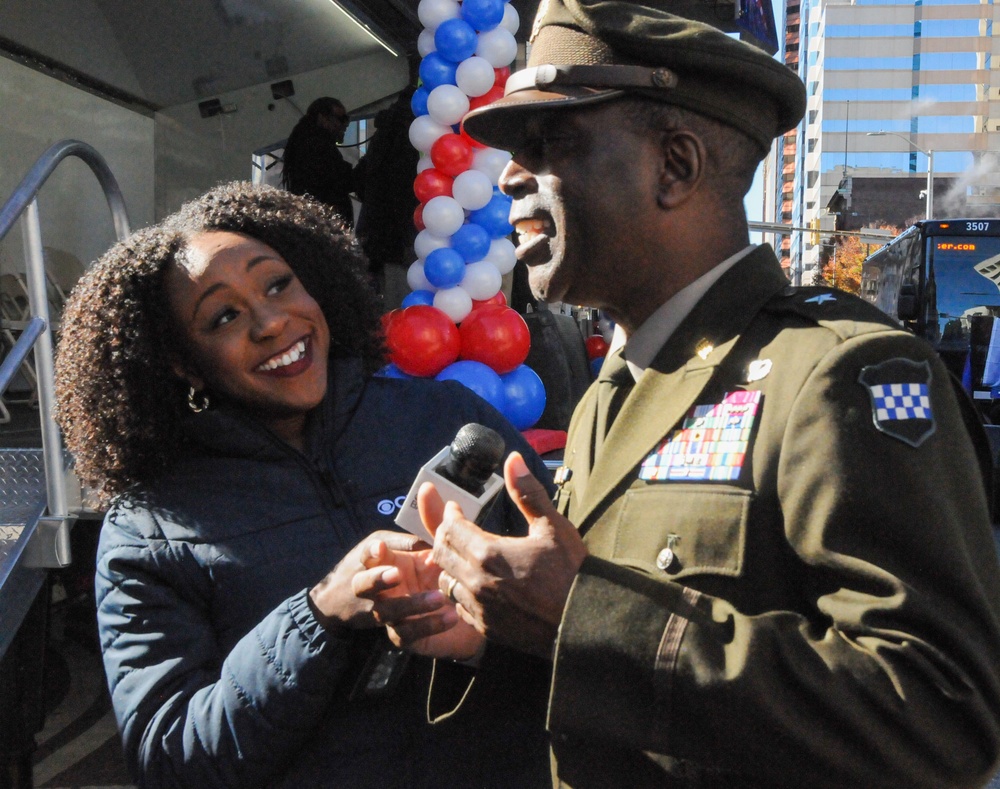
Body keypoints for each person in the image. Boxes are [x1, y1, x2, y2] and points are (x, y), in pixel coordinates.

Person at [366, 1, 1000, 787]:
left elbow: (942, 719)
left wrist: (579, 617)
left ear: (676, 166)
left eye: (551, 141)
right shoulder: (611, 391)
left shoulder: (835, 374)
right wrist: (499, 630)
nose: (509, 175)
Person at [52, 181, 553, 788]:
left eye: (278, 283)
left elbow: (579, 628)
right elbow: (170, 762)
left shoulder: (443, 418)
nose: (270, 321)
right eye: (224, 316)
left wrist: (481, 639)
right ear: (182, 361)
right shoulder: (149, 525)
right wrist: (320, 615)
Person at [353, 85, 420, 309]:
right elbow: (403, 189)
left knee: (394, 303)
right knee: (407, 306)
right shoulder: (410, 134)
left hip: (379, 233)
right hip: (398, 237)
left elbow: (361, 178)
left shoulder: (384, 133)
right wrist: (409, 238)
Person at [280, 97, 357, 227]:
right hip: (325, 225)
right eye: (341, 119)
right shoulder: (316, 146)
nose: (346, 124)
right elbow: (341, 180)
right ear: (322, 118)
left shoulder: (305, 141)